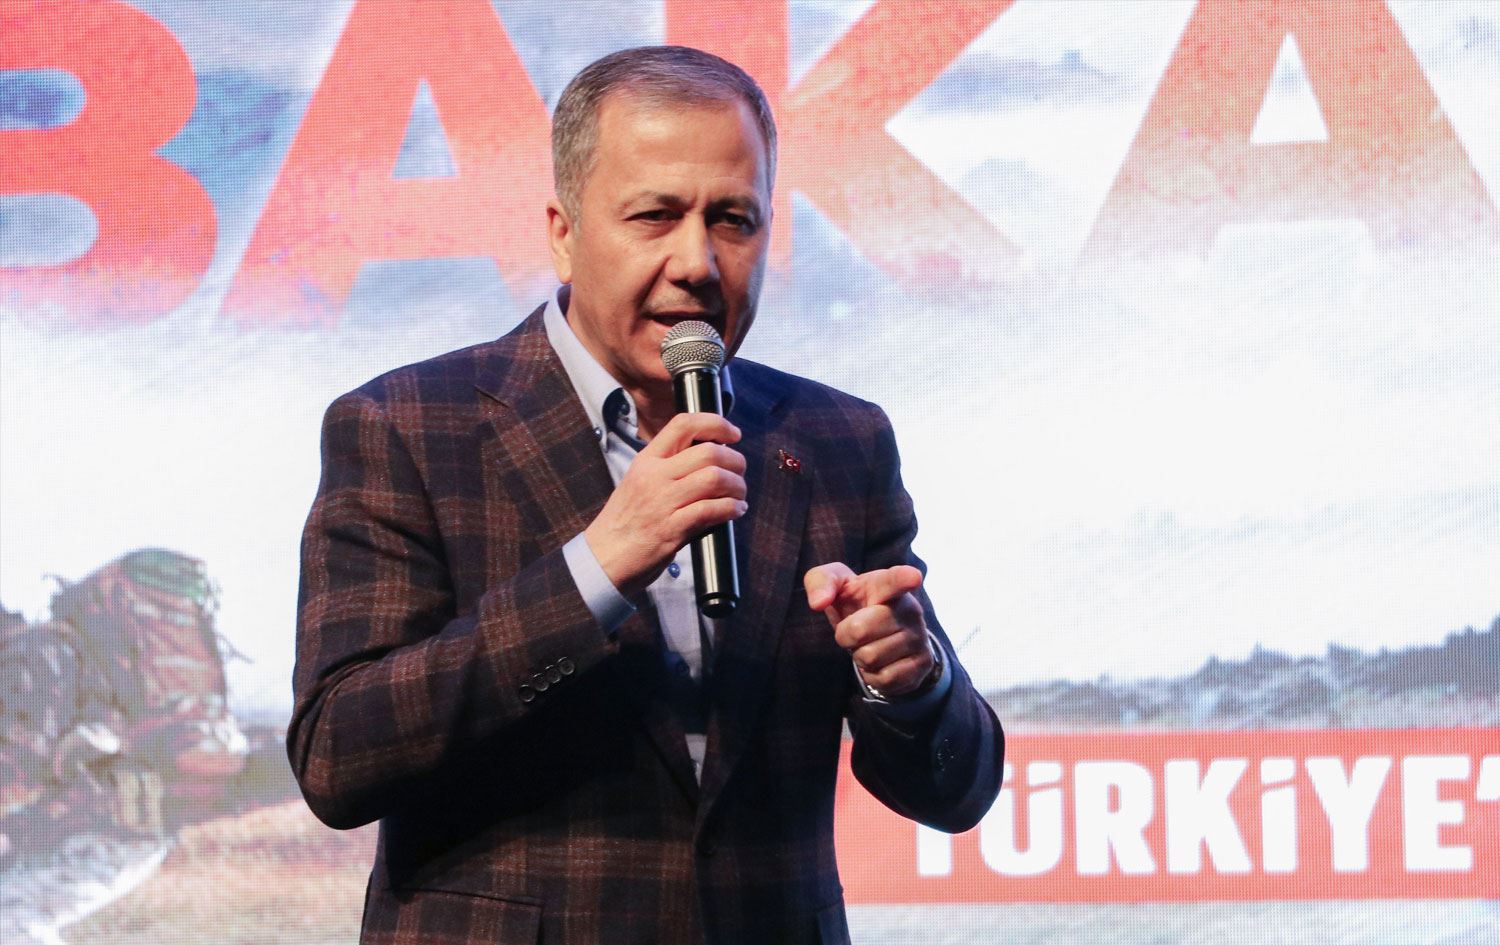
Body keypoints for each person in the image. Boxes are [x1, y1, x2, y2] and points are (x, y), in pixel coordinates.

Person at [289, 45, 1002, 945]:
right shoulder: (407, 428)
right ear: (563, 232)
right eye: (654, 216)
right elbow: (338, 756)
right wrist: (592, 570)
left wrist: (912, 682)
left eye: (733, 219)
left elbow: (957, 790)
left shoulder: (836, 441)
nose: (697, 261)